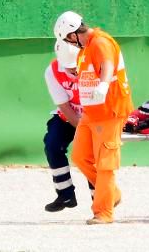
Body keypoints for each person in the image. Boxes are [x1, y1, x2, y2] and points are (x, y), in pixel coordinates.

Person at [53, 11, 134, 225]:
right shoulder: (85, 50)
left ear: (73, 33)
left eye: (68, 38)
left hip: (109, 111)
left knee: (105, 163)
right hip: (91, 112)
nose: (70, 43)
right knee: (80, 156)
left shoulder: (100, 42)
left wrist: (104, 84)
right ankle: (112, 193)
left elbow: (108, 64)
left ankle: (103, 212)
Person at [43, 40, 91, 212]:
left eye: (75, 65)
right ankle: (65, 194)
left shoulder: (92, 67)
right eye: (69, 66)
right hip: (67, 117)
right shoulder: (52, 71)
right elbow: (64, 106)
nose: (73, 70)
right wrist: (81, 131)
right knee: (52, 145)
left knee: (92, 153)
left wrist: (90, 132)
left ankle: (99, 198)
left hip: (93, 118)